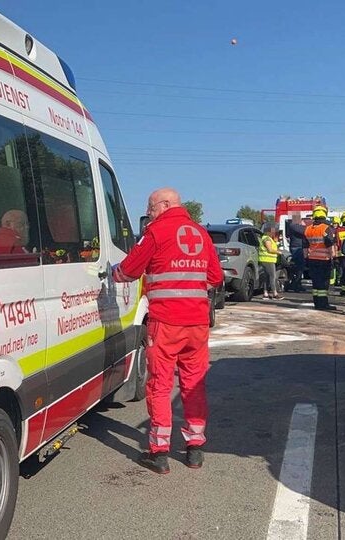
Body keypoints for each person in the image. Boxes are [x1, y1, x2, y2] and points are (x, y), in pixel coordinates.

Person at [112, 187, 224, 474]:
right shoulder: (201, 233)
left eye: (150, 208)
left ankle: (159, 452)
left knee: (160, 385)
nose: (148, 213)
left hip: (166, 323)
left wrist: (112, 274)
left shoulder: (156, 232)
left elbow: (129, 270)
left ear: (163, 205)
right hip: (197, 323)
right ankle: (195, 449)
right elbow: (215, 277)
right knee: (194, 384)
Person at [305, 206, 337, 310]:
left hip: (312, 260)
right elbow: (330, 245)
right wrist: (333, 257)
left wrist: (306, 259)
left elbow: (304, 246)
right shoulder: (326, 228)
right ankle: (323, 304)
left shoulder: (308, 229)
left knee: (316, 283)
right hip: (324, 260)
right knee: (323, 284)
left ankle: (317, 303)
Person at [258, 224, 283, 300]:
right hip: (268, 260)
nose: (274, 232)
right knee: (272, 277)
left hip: (265, 259)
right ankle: (275, 294)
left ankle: (265, 294)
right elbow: (270, 249)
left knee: (267, 277)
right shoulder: (267, 239)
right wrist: (278, 252)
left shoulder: (267, 238)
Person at [284, 216, 309, 292]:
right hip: (297, 248)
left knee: (300, 267)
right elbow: (304, 230)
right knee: (299, 267)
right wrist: (304, 225)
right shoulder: (293, 226)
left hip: (300, 247)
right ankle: (296, 284)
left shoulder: (295, 226)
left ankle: (297, 284)